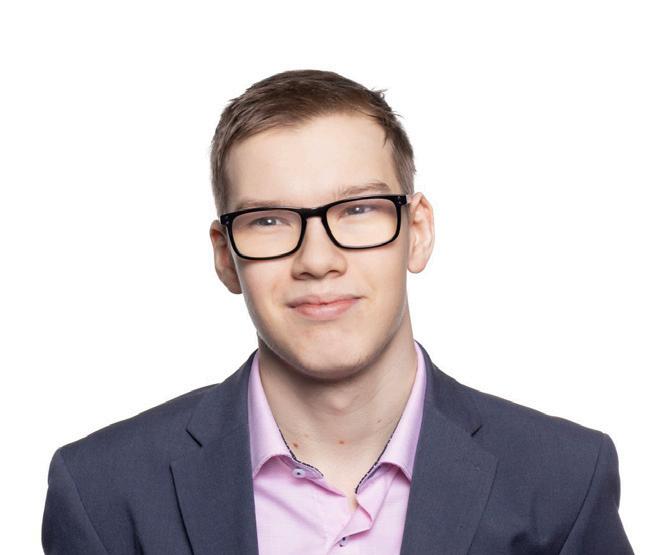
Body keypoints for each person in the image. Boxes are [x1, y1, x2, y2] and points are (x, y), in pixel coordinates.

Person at [41, 69, 634, 554]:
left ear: (417, 231)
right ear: (226, 257)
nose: (318, 260)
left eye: (357, 210)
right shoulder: (101, 492)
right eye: (269, 220)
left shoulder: (564, 480)